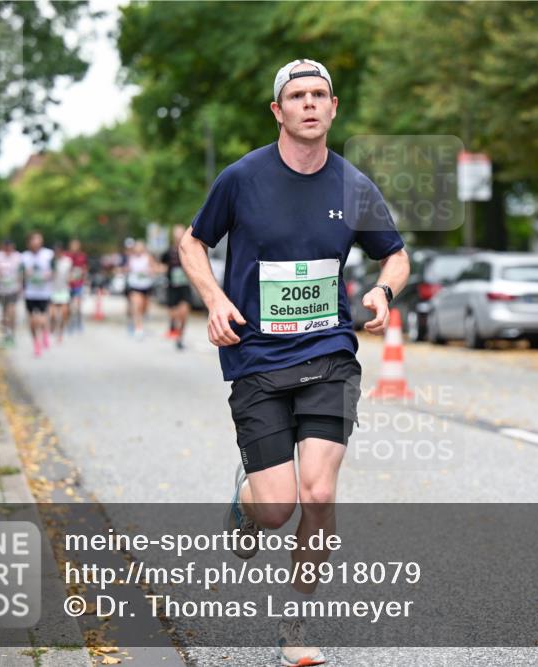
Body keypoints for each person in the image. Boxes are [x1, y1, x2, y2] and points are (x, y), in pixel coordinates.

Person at [180, 58, 409, 667]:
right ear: (277, 111)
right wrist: (215, 297)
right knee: (277, 506)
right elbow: (192, 241)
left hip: (329, 351)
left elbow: (396, 255)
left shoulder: (353, 186)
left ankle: (296, 623)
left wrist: (383, 292)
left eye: (320, 94)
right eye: (297, 95)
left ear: (333, 108)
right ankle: (247, 502)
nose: (310, 103)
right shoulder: (242, 178)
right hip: (256, 356)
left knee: (319, 492)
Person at [20, 232, 54, 357]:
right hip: (30, 293)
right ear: (29, 243)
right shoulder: (24, 257)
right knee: (32, 321)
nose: (37, 243)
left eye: (39, 241)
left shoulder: (49, 254)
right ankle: (36, 343)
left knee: (41, 319)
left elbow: (54, 270)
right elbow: (19, 273)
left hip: (44, 292)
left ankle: (44, 333)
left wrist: (48, 275)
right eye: (34, 241)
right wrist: (24, 275)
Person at [161, 224, 192, 350]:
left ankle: (180, 337)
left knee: (184, 313)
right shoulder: (168, 251)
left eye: (181, 233)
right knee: (174, 314)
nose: (179, 236)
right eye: (177, 233)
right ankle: (173, 325)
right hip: (172, 286)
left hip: (184, 286)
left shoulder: (189, 250)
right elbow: (161, 265)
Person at [0, 239, 22, 344]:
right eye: (6, 247)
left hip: (14, 289)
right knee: (4, 313)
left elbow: (22, 272)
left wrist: (20, 282)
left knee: (12, 311)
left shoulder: (18, 257)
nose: (8, 249)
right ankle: (6, 334)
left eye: (10, 247)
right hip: (1, 289)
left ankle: (12, 333)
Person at [125, 239, 157, 341]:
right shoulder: (131, 258)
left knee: (144, 307)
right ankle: (138, 328)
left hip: (146, 286)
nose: (138, 249)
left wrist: (151, 271)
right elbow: (127, 268)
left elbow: (154, 268)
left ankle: (140, 322)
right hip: (134, 285)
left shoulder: (148, 257)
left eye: (140, 247)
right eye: (137, 247)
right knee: (136, 305)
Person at [49, 243, 73, 344]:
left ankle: (60, 333)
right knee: (52, 314)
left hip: (64, 290)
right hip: (52, 290)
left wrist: (71, 278)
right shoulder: (51, 262)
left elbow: (70, 274)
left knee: (64, 313)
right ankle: (52, 327)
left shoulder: (68, 261)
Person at [66, 238, 88, 333]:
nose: (75, 247)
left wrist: (84, 275)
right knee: (69, 306)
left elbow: (85, 268)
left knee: (78, 305)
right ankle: (69, 323)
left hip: (78, 284)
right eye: (73, 245)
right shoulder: (66, 256)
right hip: (68, 285)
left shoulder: (82, 256)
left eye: (76, 245)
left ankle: (79, 323)